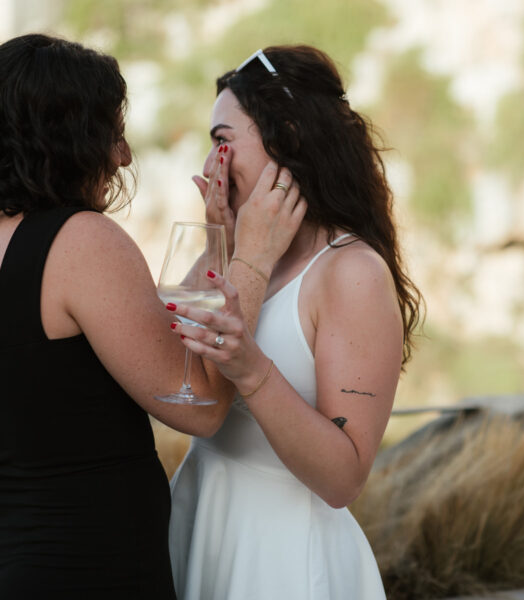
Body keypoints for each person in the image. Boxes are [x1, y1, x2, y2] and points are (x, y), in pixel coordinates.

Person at [0, 34, 303, 599]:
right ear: (64, 136)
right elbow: (202, 404)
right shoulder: (80, 240)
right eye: (111, 134)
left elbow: (144, 330)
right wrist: (254, 258)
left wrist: (220, 244)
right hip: (88, 570)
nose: (124, 156)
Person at [167, 45, 423, 600]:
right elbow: (172, 371)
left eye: (224, 141)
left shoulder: (350, 271)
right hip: (203, 519)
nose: (214, 162)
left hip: (281, 555)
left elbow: (343, 478)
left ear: (287, 138)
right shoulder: (246, 251)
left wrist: (251, 369)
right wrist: (225, 241)